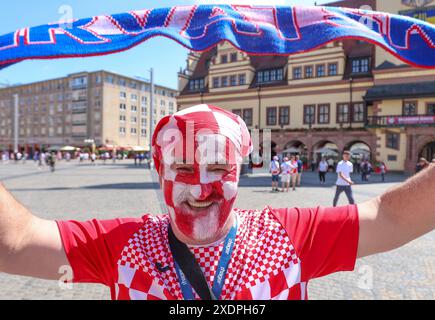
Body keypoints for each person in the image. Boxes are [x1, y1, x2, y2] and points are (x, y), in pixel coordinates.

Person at [1, 104, 435, 301]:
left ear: (241, 170)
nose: (200, 187)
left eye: (219, 169)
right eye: (184, 170)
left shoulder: (292, 235)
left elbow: (393, 218)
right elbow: (15, 243)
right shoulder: (121, 245)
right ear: (159, 171)